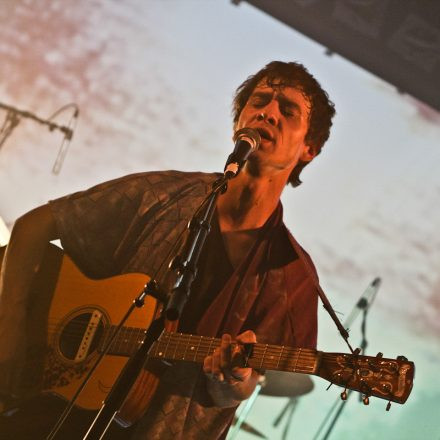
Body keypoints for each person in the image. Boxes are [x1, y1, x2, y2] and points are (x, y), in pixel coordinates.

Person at [0, 61, 335, 439]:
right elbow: (32, 228)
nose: (268, 112)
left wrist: (233, 380)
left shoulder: (292, 275)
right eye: (259, 101)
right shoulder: (162, 196)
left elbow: (245, 386)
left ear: (309, 148)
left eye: (287, 110)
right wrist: (9, 328)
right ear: (237, 123)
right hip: (38, 413)